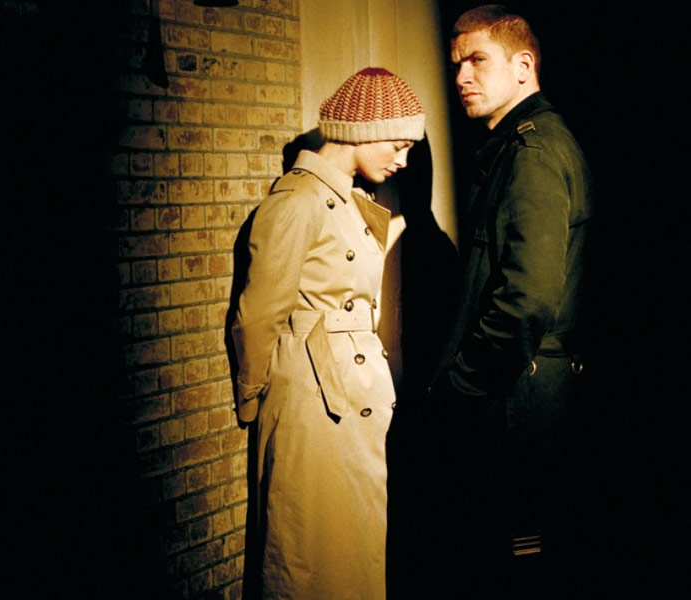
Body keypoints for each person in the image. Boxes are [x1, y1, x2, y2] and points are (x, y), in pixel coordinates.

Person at [230, 67, 424, 600]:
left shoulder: (343, 200)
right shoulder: (297, 203)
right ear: (362, 131)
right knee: (311, 554)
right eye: (399, 145)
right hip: (314, 404)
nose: (403, 160)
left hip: (347, 396)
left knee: (349, 553)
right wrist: (250, 395)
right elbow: (259, 313)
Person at [425, 4, 593, 597]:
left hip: (517, 391)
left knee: (515, 559)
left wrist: (461, 386)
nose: (461, 77)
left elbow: (527, 298)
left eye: (477, 60)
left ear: (523, 66)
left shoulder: (533, 153)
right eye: (456, 64)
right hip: (520, 384)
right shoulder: (519, 146)